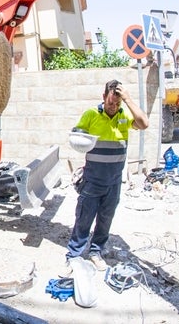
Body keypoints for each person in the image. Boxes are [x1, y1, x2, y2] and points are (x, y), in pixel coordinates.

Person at [65, 79, 149, 273]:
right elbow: (77, 134)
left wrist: (127, 99)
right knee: (84, 219)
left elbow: (144, 123)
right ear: (104, 97)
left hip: (114, 182)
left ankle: (96, 252)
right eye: (111, 102)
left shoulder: (124, 116)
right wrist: (79, 139)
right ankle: (74, 256)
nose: (113, 107)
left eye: (117, 103)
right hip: (92, 180)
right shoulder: (91, 114)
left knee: (105, 219)